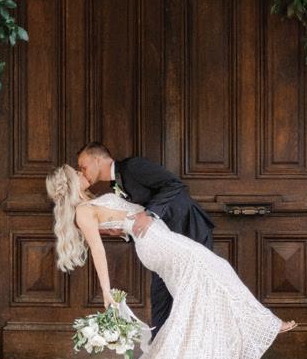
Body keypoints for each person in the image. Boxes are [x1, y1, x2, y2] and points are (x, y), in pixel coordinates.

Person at [0, 163, 297, 359]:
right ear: (71, 181)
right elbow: (98, 252)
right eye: (76, 172)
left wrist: (118, 225)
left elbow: (119, 224)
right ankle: (265, 323)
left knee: (200, 291)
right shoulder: (82, 213)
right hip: (157, 243)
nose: (82, 172)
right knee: (217, 269)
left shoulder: (92, 203)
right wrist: (106, 292)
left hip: (157, 239)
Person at [73, 142, 213, 337]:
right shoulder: (116, 185)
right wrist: (122, 233)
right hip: (161, 245)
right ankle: (161, 351)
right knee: (160, 300)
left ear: (96, 160)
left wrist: (150, 214)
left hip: (188, 229)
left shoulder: (133, 167)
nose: (83, 172)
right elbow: (136, 218)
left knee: (195, 297)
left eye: (83, 166)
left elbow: (175, 185)